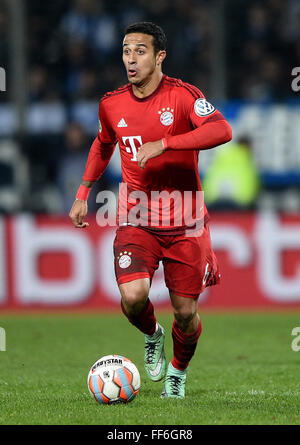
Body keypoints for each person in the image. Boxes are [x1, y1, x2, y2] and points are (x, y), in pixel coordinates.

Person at [69, 22, 232, 398]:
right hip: (136, 214)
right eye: (126, 51)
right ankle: (151, 334)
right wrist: (83, 193)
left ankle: (177, 371)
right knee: (133, 297)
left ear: (160, 56)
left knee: (187, 314)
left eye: (140, 51)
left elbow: (222, 130)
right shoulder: (111, 103)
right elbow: (102, 144)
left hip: (186, 218)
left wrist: (166, 143)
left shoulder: (184, 96)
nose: (131, 59)